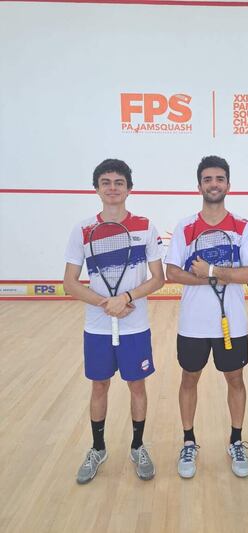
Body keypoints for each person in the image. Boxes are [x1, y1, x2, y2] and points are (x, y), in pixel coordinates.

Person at [63, 159, 164, 484]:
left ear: (129, 188)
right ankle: (98, 448)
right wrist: (107, 303)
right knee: (99, 386)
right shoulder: (82, 230)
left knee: (137, 385)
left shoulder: (145, 227)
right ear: (96, 188)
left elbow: (158, 278)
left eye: (119, 182)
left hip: (135, 325)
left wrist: (127, 297)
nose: (112, 188)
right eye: (105, 182)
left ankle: (137, 446)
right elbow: (69, 283)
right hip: (97, 327)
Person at [165, 155, 248, 479]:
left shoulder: (243, 227)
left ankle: (236, 441)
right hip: (193, 324)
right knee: (189, 379)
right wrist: (218, 278)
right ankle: (188, 441)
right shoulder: (185, 227)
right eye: (208, 179)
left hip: (232, 324)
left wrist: (211, 271)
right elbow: (172, 272)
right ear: (199, 186)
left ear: (228, 185)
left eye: (219, 178)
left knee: (235, 380)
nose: (214, 184)